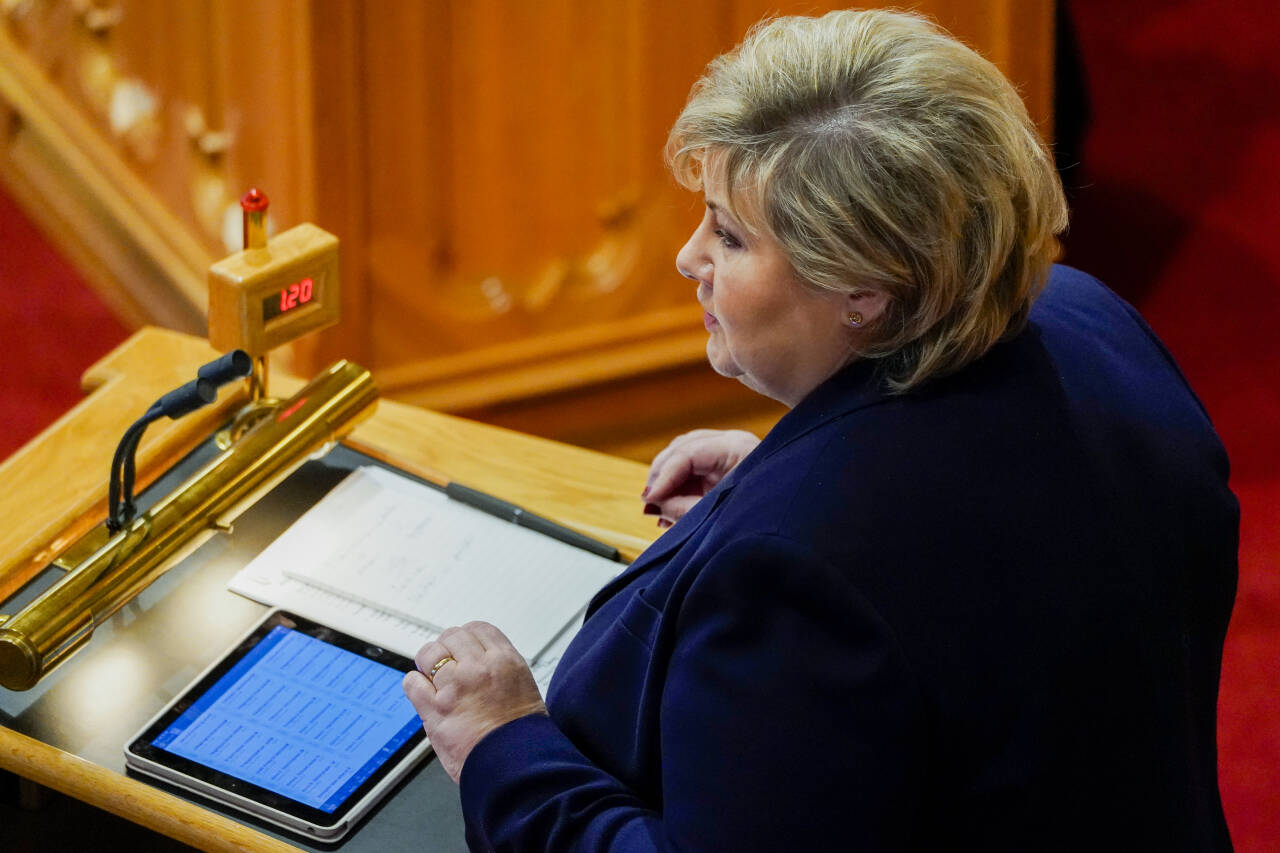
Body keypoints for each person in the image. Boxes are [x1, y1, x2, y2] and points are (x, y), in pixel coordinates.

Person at [403, 9, 1239, 851]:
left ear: (864, 289)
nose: (688, 258)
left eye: (729, 235)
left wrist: (499, 741)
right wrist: (784, 476)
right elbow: (1006, 539)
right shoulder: (1093, 320)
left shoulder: (798, 573)